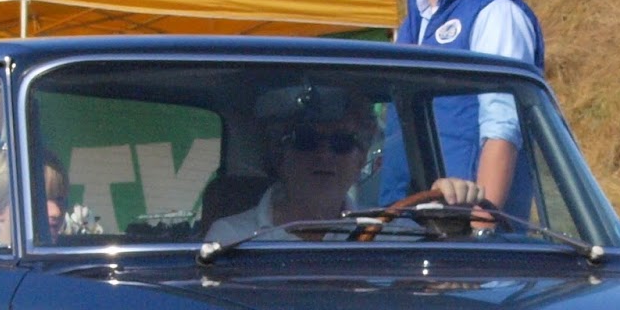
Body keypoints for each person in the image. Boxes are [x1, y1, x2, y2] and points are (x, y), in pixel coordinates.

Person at [379, 0, 546, 213]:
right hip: (406, 225)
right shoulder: (411, 25)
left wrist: (483, 226)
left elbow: (503, 127)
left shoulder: (495, 13)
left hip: (467, 234)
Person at [207, 88, 483, 244]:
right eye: (307, 141)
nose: (325, 155)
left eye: (342, 143)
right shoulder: (231, 238)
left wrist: (455, 220)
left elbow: (439, 288)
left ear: (360, 159)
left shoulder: (391, 235)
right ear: (280, 154)